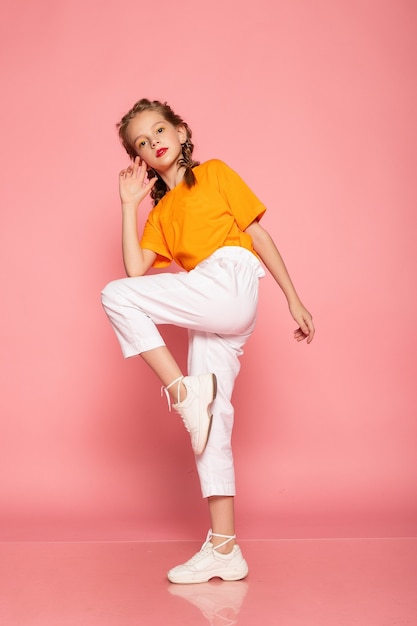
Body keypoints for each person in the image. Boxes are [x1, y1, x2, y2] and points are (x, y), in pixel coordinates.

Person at [101, 98, 315, 584]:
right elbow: (136, 270)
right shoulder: (159, 215)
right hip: (207, 304)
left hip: (231, 279)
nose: (154, 140)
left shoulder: (215, 173)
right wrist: (129, 205)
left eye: (160, 129)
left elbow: (258, 235)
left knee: (115, 296)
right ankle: (224, 548)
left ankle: (181, 394)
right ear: (142, 159)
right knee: (210, 424)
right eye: (141, 141)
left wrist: (293, 299)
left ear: (180, 131)